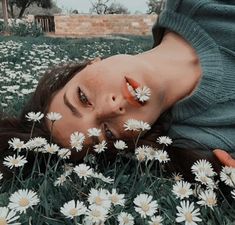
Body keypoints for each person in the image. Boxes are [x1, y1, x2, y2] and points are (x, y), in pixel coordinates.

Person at [0, 0, 235, 178]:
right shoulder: (205, 145)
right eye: (108, 133)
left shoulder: (196, 5)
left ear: (91, 62)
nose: (112, 107)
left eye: (83, 98)